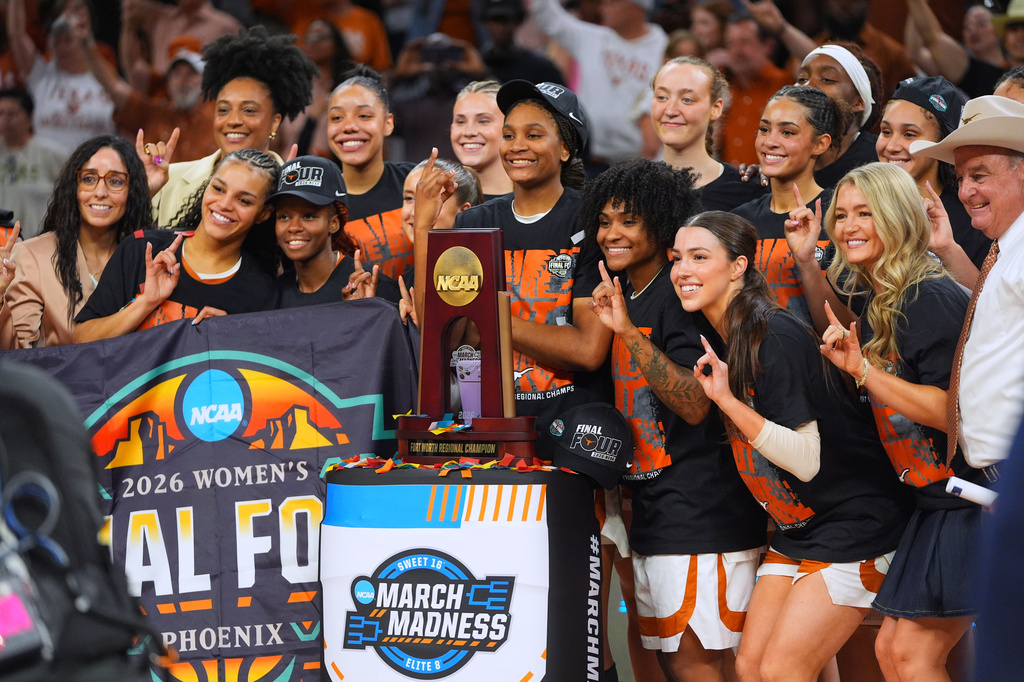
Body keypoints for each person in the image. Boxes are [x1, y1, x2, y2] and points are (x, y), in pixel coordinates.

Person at [677, 210, 910, 682]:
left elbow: (806, 460)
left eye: (699, 257)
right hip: (800, 525)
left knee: (783, 669)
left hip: (854, 521)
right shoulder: (735, 333)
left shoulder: (774, 334)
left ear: (738, 266)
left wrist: (726, 400)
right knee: (751, 667)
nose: (683, 270)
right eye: (677, 257)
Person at [587, 159, 766, 682]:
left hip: (702, 510)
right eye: (604, 221)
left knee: (697, 665)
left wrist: (627, 333)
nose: (612, 234)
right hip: (658, 510)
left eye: (629, 221)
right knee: (680, 664)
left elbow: (695, 402)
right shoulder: (631, 293)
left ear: (662, 224)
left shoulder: (681, 296)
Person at [817, 161, 980, 682]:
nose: (849, 226)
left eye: (866, 213)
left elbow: (952, 412)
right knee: (897, 651)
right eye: (842, 215)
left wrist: (864, 371)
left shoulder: (925, 296)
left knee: (907, 655)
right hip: (935, 499)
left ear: (898, 217)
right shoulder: (883, 298)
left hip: (972, 498)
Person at [450, 80, 612, 458]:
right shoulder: (472, 224)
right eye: (509, 135)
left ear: (566, 149)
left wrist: (490, 317)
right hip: (486, 425)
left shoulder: (593, 220)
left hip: (571, 433)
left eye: (534, 135)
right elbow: (457, 340)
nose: (516, 146)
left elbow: (587, 350)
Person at [910, 94, 1024, 472]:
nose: (963, 192)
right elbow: (1000, 310)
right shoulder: (1008, 246)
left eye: (979, 175)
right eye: (960, 178)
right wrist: (947, 249)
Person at [73, 149, 279, 341]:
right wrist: (146, 302)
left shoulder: (261, 292)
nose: (224, 204)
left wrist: (229, 340)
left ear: (264, 214)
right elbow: (81, 338)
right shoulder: (142, 248)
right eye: (218, 189)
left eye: (244, 201)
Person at [148, 26, 317, 227]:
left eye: (249, 110)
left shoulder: (294, 191)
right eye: (223, 110)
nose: (233, 120)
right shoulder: (169, 178)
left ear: (275, 122)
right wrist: (144, 193)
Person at [0, 135, 151, 348]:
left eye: (115, 181)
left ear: (131, 191)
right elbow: (15, 353)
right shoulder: (32, 255)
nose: (100, 192)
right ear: (73, 188)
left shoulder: (146, 257)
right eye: (88, 179)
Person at [733, 85, 851, 333]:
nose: (770, 142)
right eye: (764, 129)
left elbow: (850, 329)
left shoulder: (842, 214)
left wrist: (807, 263)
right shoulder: (738, 220)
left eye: (787, 132)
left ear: (820, 144)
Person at [528, 0, 667, 173]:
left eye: (611, 3)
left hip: (637, 166)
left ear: (635, 6)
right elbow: (547, 16)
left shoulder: (663, 47)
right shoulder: (591, 38)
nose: (603, 9)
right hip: (588, 162)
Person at [875, 75, 991, 282]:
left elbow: (985, 299)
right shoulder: (855, 204)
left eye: (909, 134)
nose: (891, 146)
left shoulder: (973, 220)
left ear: (942, 142)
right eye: (886, 131)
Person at [271, 155, 399, 307]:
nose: (293, 227)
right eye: (284, 217)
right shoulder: (273, 294)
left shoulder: (372, 288)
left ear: (334, 223)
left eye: (309, 216)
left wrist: (364, 312)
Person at [328, 67, 416, 281]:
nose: (349, 126)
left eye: (364, 116)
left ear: (388, 123)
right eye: (337, 117)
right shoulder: (317, 198)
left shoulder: (416, 181)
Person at [650, 57, 766, 211]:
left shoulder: (748, 192)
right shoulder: (631, 188)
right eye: (662, 97)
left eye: (687, 100)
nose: (670, 111)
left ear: (716, 108)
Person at [6, 0, 115, 150]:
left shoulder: (104, 78)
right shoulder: (42, 77)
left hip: (96, 163)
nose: (62, 47)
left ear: (82, 40)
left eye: (68, 40)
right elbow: (17, 35)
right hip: (48, 164)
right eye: (56, 42)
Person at [796, 43, 882, 190]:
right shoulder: (786, 153)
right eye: (802, 79)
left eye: (827, 79)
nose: (807, 86)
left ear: (858, 102)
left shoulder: (881, 158)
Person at [719, 15, 792, 169]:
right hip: (730, 180)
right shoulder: (725, 90)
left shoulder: (786, 85)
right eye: (730, 43)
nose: (736, 51)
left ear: (768, 46)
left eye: (745, 42)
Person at [276, 20, 353, 160]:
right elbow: (276, 142)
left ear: (336, 43)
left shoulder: (350, 87)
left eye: (320, 37)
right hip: (291, 165)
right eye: (309, 38)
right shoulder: (291, 88)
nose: (314, 42)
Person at [0, 88, 67, 239]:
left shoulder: (53, 153)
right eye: (1, 113)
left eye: (12, 113)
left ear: (30, 118)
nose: (5, 120)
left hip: (39, 241)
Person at [118, 0, 242, 80]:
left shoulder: (227, 27)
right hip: (159, 101)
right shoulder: (161, 18)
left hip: (204, 105)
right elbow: (131, 7)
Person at [450, 80, 513, 200]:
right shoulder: (440, 198)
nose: (468, 132)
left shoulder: (536, 199)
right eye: (461, 122)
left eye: (483, 121)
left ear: (510, 128)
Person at [480, 0, 565, 86]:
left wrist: (485, 75)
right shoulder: (478, 61)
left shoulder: (539, 67)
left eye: (504, 21)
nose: (499, 28)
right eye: (495, 20)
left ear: (518, 21)